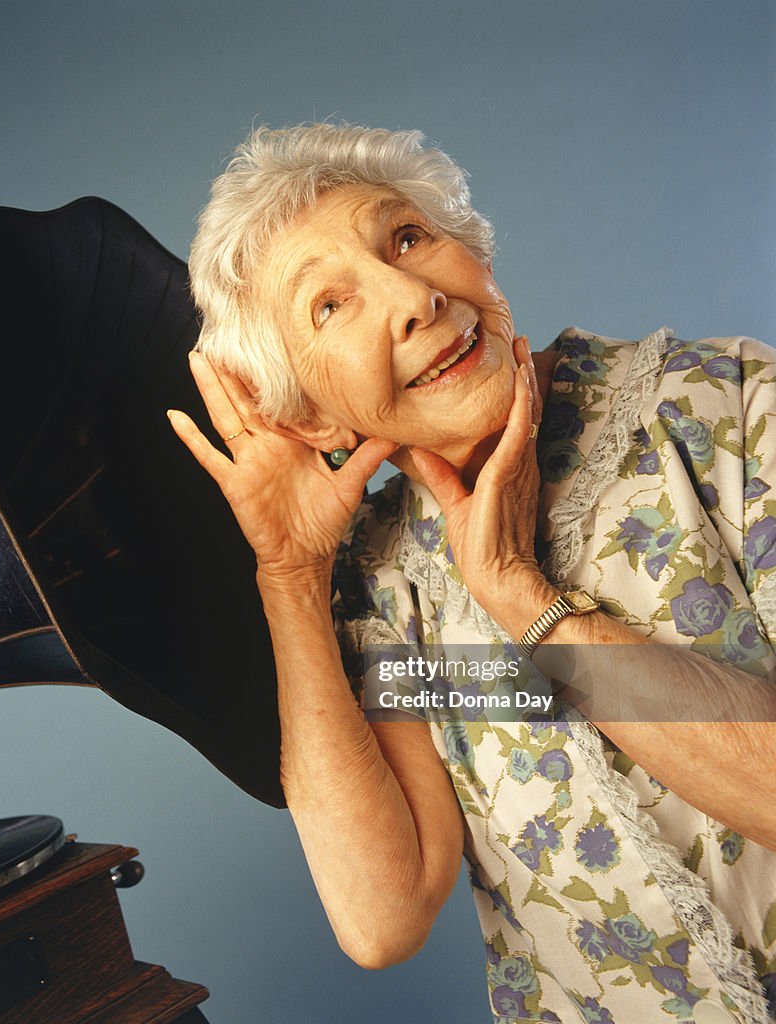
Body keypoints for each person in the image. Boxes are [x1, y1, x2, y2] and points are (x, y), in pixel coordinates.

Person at [167, 123, 776, 1024]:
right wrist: (290, 574)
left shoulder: (728, 404)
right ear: (315, 420)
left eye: (408, 238)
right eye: (330, 306)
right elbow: (383, 915)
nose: (414, 298)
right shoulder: (381, 586)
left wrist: (525, 601)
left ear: (474, 253)